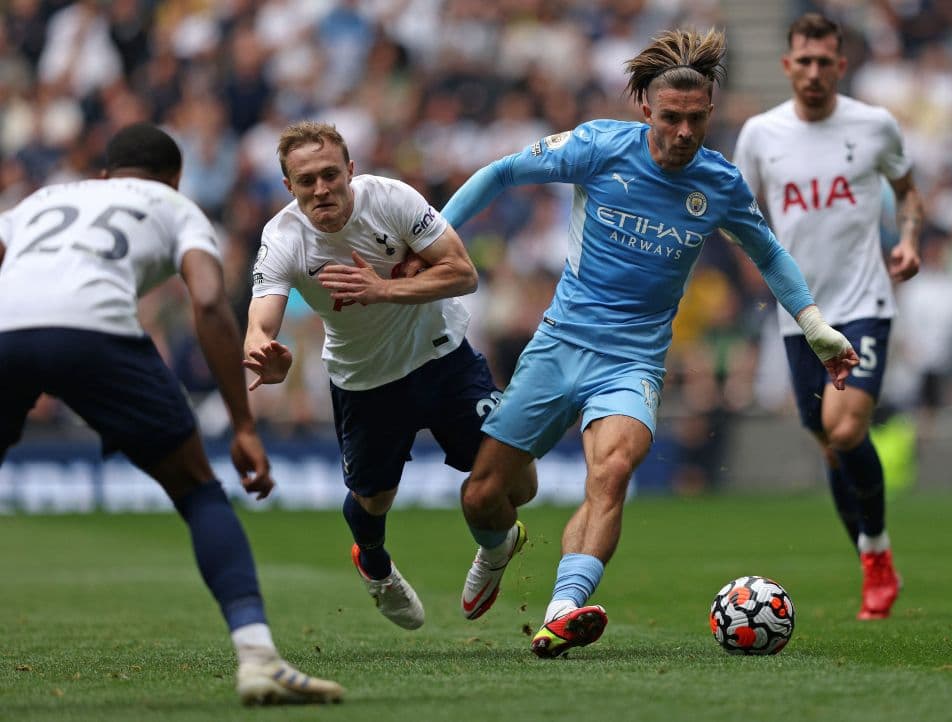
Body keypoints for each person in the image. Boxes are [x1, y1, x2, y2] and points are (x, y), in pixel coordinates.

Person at [441, 27, 859, 657]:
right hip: (559, 345)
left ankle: (562, 610)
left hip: (633, 360)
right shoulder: (598, 146)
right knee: (484, 494)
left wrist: (815, 324)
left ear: (709, 112)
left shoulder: (719, 184)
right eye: (671, 118)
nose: (684, 132)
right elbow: (501, 172)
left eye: (696, 119)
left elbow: (769, 252)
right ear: (645, 110)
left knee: (610, 473)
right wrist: (433, 236)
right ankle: (499, 546)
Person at [0, 122, 343, 705]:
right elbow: (208, 302)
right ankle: (258, 657)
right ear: (175, 178)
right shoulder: (175, 206)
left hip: (7, 332)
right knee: (198, 490)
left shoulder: (42, 198)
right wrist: (241, 424)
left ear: (104, 175)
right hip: (97, 333)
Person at [243, 121, 537, 630]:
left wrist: (382, 290)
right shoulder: (283, 236)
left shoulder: (392, 199)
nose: (321, 189)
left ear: (351, 171)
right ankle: (375, 567)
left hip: (443, 357)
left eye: (331, 174)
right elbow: (260, 317)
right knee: (373, 501)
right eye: (306, 180)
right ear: (288, 186)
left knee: (519, 484)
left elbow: (463, 273)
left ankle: (495, 550)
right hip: (365, 379)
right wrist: (263, 349)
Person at [732, 13, 922, 621]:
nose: (813, 72)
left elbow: (909, 190)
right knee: (830, 445)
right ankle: (872, 556)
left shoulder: (874, 126)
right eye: (803, 61)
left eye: (825, 61)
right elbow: (742, 215)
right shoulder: (761, 135)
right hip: (799, 317)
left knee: (845, 430)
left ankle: (877, 555)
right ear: (787, 65)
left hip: (865, 303)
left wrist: (910, 238)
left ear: (841, 65)